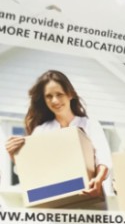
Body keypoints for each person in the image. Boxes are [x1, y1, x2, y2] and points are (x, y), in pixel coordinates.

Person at [4, 70, 112, 199]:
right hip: (53, 200)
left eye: (59, 94)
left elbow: (103, 158)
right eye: (49, 96)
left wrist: (98, 180)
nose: (54, 100)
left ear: (70, 94)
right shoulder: (41, 131)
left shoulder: (90, 125)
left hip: (89, 197)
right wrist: (15, 156)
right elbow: (32, 172)